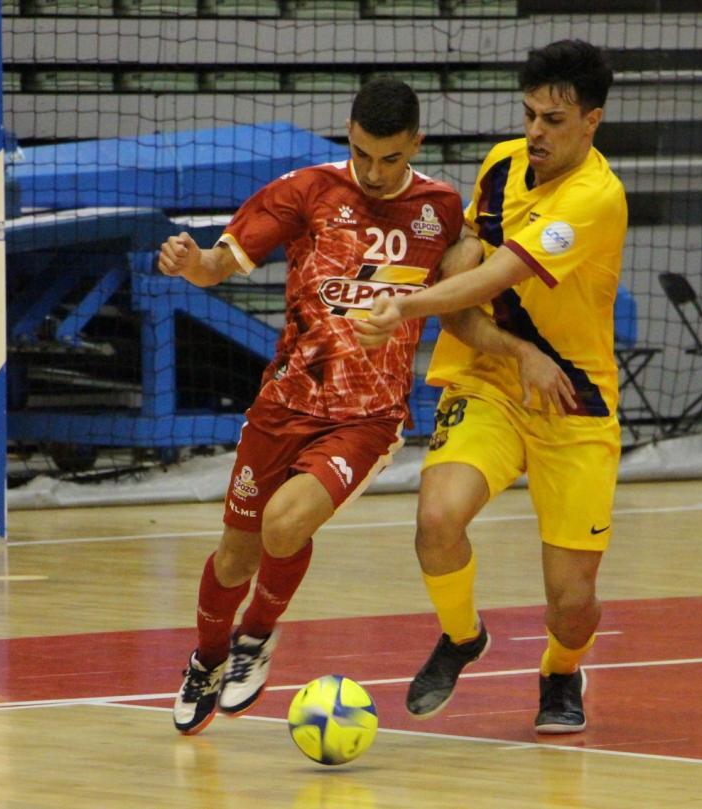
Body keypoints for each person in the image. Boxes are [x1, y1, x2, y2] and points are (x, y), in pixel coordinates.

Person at [157, 78, 465, 735]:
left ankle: (256, 637)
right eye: (362, 154)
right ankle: (207, 658)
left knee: (284, 524)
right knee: (235, 556)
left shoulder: (442, 210)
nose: (375, 173)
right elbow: (216, 266)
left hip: (367, 415)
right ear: (347, 133)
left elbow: (466, 293)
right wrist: (190, 262)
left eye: (390, 158)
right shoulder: (309, 190)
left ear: (416, 143)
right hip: (283, 404)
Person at [354, 40, 627, 733]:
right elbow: (473, 258)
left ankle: (561, 671)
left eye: (554, 120)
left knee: (573, 601)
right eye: (530, 113)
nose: (536, 130)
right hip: (490, 382)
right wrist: (448, 267)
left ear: (591, 121)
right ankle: (462, 634)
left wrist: (405, 305)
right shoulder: (503, 164)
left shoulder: (596, 196)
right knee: (437, 519)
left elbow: (502, 273)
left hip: (574, 400)